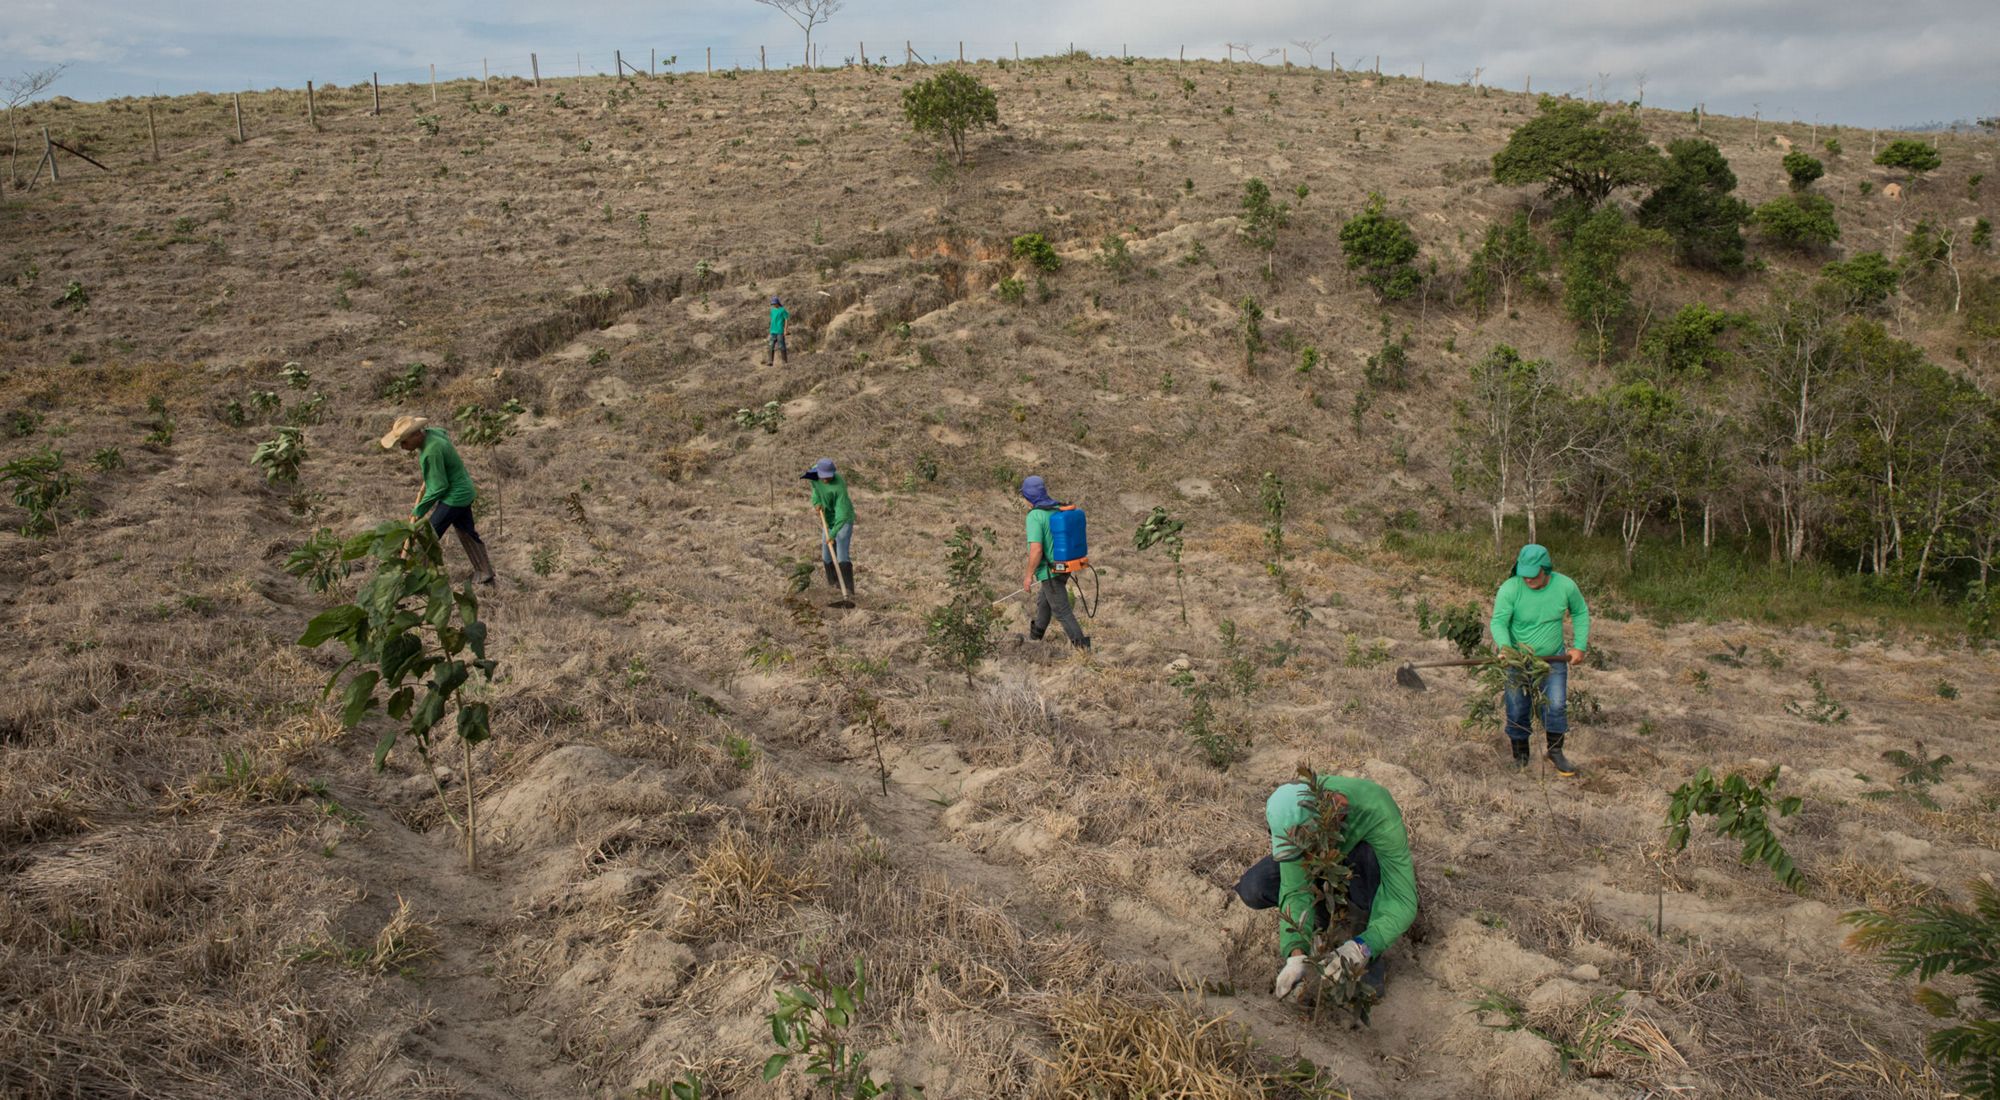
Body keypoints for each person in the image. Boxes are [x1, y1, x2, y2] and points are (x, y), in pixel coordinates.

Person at [1236, 773, 1418, 1001]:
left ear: (1336, 812)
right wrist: (1296, 954)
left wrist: (1363, 948)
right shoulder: (1294, 809)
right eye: (1301, 851)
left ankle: (1365, 941)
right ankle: (1322, 917)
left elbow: (1402, 901)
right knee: (1255, 887)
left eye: (1309, 847)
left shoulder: (1376, 807)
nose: (1308, 858)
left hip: (1359, 865)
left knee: (1368, 858)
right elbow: (1295, 889)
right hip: (1329, 866)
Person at [1489, 543, 1590, 776]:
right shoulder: (1510, 588)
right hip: (1517, 659)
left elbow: (1580, 612)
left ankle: (1555, 752)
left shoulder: (1565, 586)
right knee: (1516, 707)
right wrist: (1505, 648)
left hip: (1553, 657)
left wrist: (1579, 647)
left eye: (1533, 575)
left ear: (1546, 569)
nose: (1528, 579)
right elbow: (1499, 621)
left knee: (1555, 705)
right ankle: (1521, 755)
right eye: (1523, 574)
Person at [380, 414, 494, 585]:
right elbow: (444, 432)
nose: (403, 447)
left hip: (455, 496)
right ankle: (485, 573)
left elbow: (439, 487)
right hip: (464, 490)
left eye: (404, 442)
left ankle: (420, 579)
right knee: (466, 531)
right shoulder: (432, 433)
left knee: (428, 535)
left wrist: (418, 511)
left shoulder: (431, 451)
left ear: (416, 435)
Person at [1019, 475, 1088, 650]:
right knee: (1045, 601)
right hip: (1063, 567)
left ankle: (1083, 650)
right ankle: (1035, 639)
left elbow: (1036, 549)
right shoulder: (1056, 508)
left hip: (1050, 571)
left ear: (1029, 496)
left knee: (1062, 611)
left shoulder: (1035, 516)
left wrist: (1028, 576)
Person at [801, 457, 855, 602]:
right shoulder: (814, 474)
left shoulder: (839, 487)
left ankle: (848, 590)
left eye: (829, 477)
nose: (826, 480)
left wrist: (832, 534)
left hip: (842, 521)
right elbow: (815, 490)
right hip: (828, 519)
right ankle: (834, 587)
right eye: (823, 477)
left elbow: (842, 515)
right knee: (826, 556)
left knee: (841, 555)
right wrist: (816, 502)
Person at [766, 296, 790, 366]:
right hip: (773, 331)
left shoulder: (782, 310)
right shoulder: (772, 311)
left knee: (781, 346)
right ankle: (770, 361)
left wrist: (785, 330)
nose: (774, 305)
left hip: (780, 330)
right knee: (771, 345)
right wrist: (769, 330)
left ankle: (784, 361)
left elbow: (786, 319)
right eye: (773, 304)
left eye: (775, 303)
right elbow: (772, 320)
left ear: (778, 303)